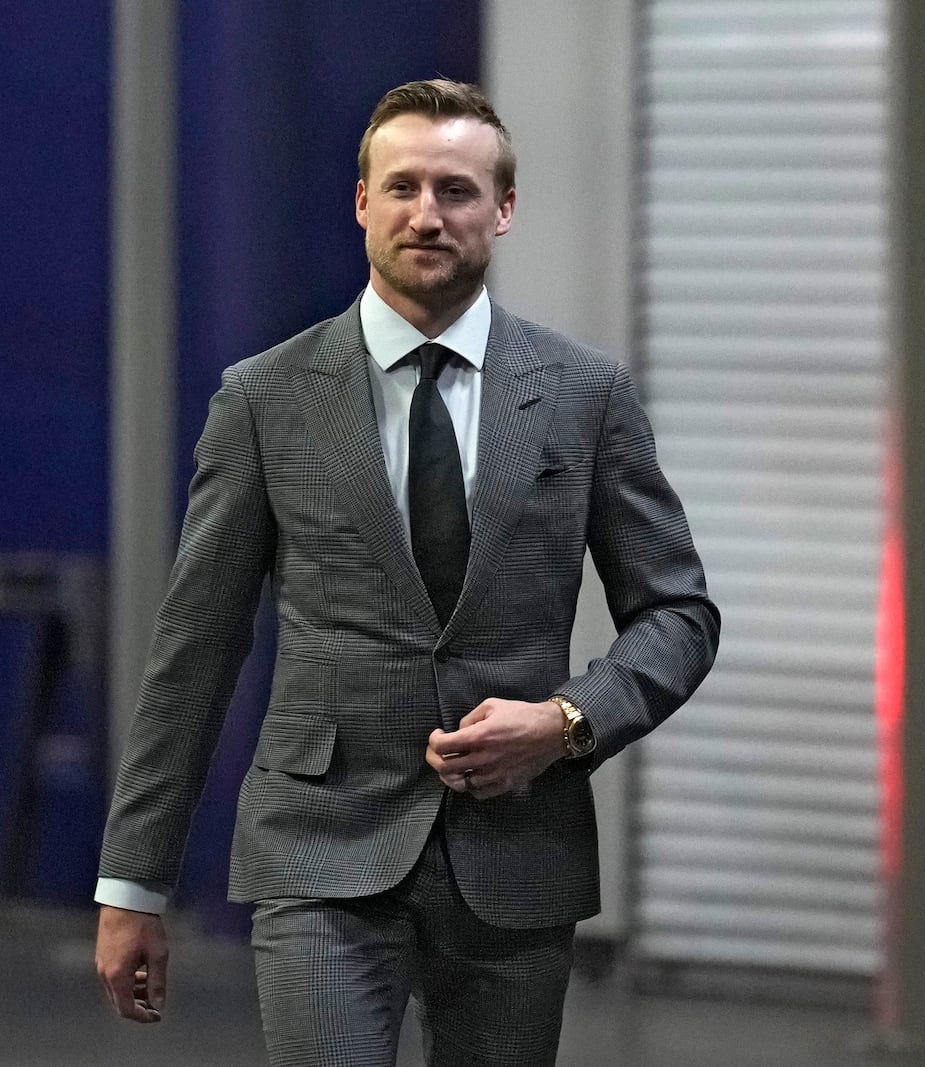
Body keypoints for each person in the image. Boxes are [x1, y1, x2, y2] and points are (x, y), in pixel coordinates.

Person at [94, 78, 719, 1066]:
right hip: (319, 843)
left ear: (503, 210)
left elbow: (677, 612)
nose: (428, 213)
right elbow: (197, 643)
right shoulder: (264, 399)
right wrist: (133, 882)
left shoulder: (583, 396)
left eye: (458, 191)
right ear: (362, 202)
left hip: (518, 847)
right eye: (403, 187)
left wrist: (563, 723)